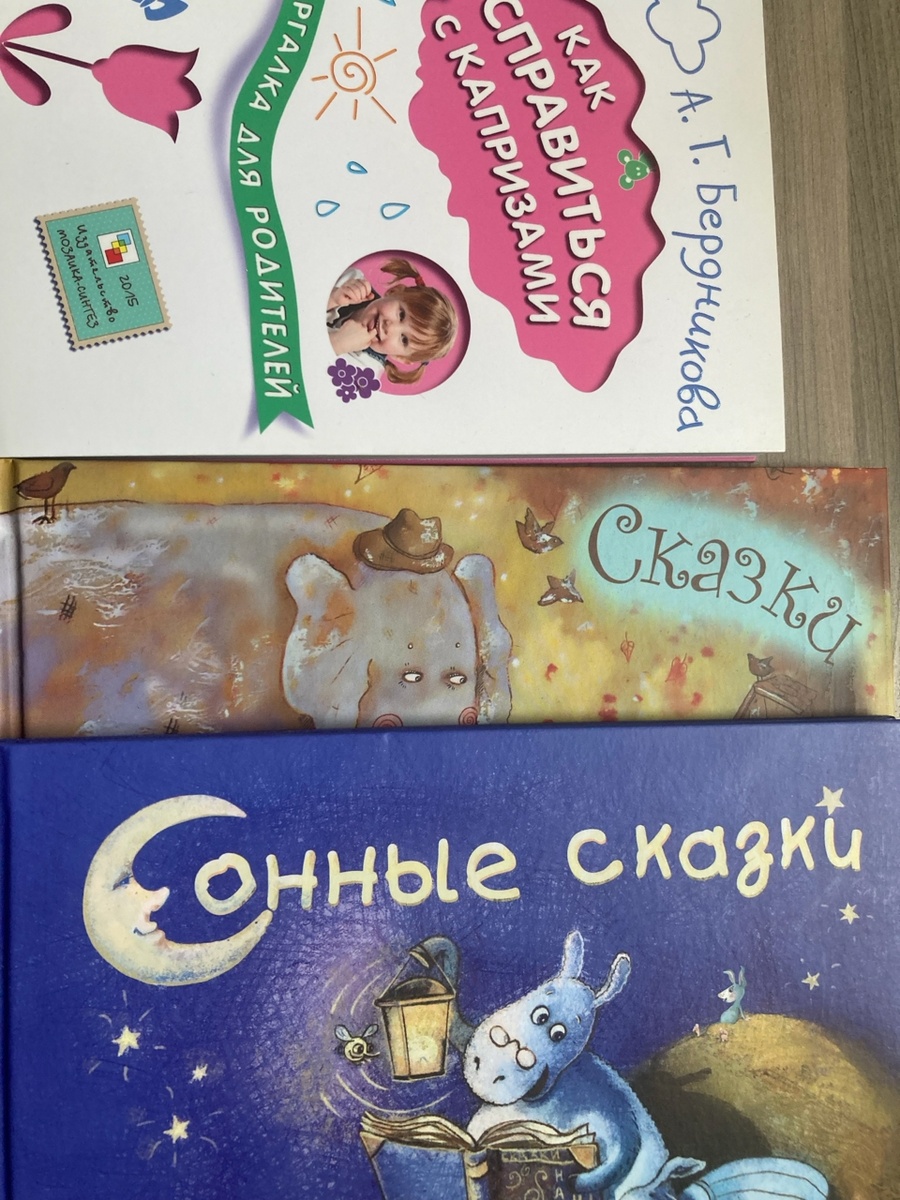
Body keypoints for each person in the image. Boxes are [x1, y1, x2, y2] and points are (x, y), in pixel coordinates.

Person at [326, 257, 458, 384]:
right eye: (401, 314)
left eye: (404, 339)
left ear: (400, 357)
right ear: (394, 291)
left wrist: (338, 343)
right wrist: (332, 299)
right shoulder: (351, 282)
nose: (390, 327)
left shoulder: (362, 375)